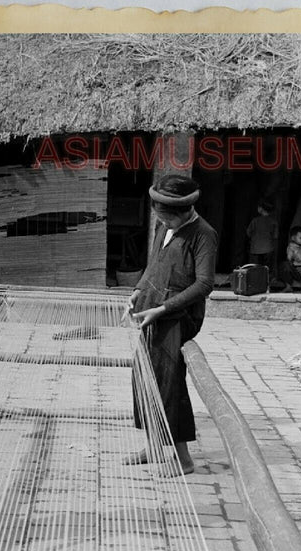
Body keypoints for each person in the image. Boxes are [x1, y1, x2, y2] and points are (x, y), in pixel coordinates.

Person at [122, 174, 217, 476]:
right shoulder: (164, 226)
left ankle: (183, 459)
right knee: (144, 379)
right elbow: (154, 264)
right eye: (161, 216)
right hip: (152, 311)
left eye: (169, 218)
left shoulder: (204, 234)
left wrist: (163, 309)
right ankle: (152, 447)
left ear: (185, 211)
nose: (165, 222)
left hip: (178, 318)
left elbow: (204, 284)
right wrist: (137, 291)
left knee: (169, 384)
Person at [246, 199, 278, 267]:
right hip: (268, 250)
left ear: (261, 208)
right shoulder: (274, 222)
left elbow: (248, 233)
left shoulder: (255, 221)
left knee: (254, 269)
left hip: (255, 250)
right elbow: (275, 236)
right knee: (266, 270)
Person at [279, 225, 301, 292]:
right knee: (285, 267)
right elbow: (289, 258)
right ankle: (288, 286)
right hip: (294, 267)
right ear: (293, 238)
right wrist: (292, 259)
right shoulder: (291, 247)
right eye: (300, 238)